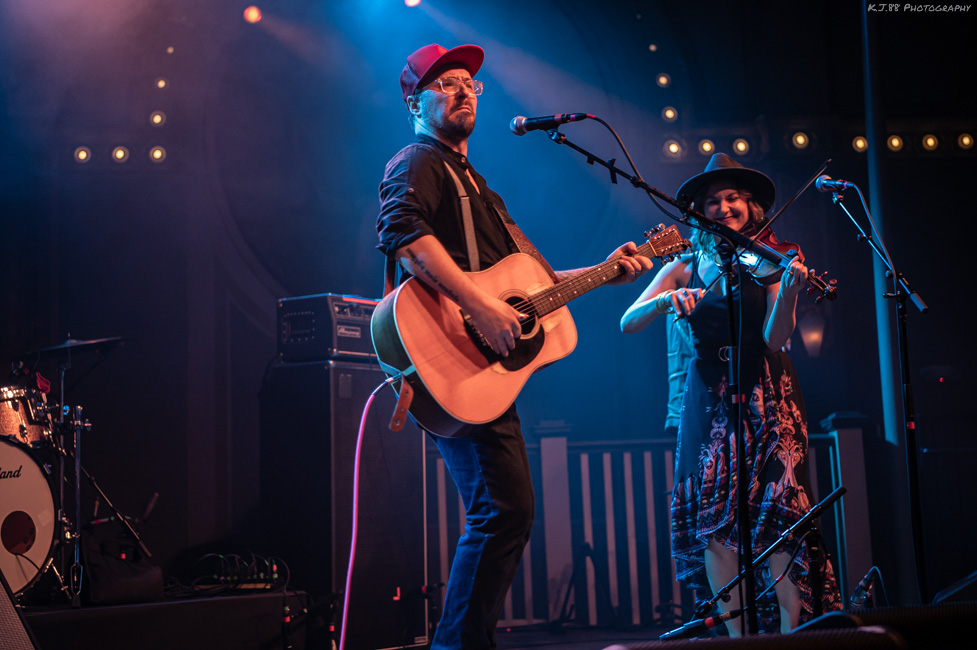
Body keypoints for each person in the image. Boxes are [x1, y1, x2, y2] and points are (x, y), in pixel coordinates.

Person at [376, 43, 652, 649]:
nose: (464, 90)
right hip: (451, 348)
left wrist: (607, 270)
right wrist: (478, 309)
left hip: (482, 364)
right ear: (413, 101)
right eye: (446, 83)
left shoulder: (477, 184)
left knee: (505, 512)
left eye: (470, 83)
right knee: (502, 511)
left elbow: (528, 287)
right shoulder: (417, 161)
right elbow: (405, 239)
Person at [620, 153, 841, 635]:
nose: (725, 207)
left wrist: (789, 291)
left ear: (752, 207)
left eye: (734, 198)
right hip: (708, 399)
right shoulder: (684, 266)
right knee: (716, 525)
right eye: (714, 200)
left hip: (769, 395)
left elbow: (777, 338)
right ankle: (737, 639)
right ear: (700, 211)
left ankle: (793, 633)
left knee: (779, 510)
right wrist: (663, 301)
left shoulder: (770, 263)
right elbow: (627, 321)